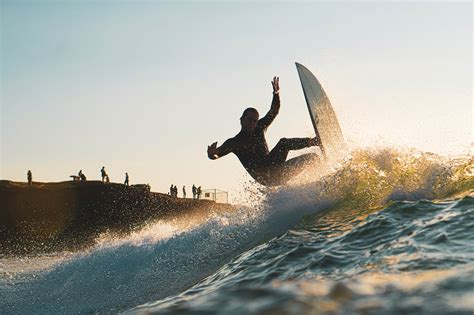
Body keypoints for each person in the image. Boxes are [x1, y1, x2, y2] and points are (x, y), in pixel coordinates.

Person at [207, 76, 321, 187]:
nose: (252, 123)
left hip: (278, 170)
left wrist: (276, 94)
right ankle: (315, 141)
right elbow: (216, 155)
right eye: (249, 120)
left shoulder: (259, 127)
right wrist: (211, 154)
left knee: (312, 158)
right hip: (266, 177)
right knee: (283, 143)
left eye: (255, 120)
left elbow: (274, 111)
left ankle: (319, 182)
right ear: (241, 120)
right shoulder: (234, 142)